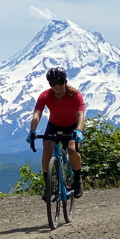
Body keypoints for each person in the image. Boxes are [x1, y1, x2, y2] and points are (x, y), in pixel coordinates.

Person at [26, 66, 85, 198]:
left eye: (60, 83)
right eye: (53, 84)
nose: (57, 87)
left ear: (65, 82)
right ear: (49, 84)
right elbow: (37, 115)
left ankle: (77, 179)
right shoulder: (45, 96)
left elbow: (80, 116)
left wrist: (79, 131)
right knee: (46, 148)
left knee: (72, 150)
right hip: (54, 125)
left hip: (72, 127)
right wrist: (32, 130)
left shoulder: (75, 95)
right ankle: (48, 185)